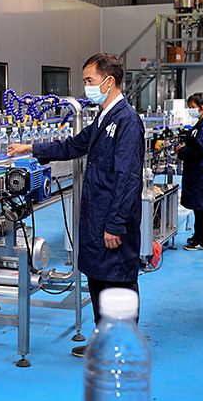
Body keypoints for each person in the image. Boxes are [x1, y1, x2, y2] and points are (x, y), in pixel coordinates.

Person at [8, 53, 145, 357]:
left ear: (109, 81)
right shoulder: (104, 117)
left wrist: (115, 224)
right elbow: (74, 144)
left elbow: (128, 178)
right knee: (98, 277)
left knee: (118, 281)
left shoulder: (127, 121)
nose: (86, 88)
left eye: (89, 81)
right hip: (96, 214)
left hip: (112, 218)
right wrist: (31, 147)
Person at [176, 92, 203, 251]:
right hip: (197, 171)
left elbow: (199, 149)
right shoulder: (201, 123)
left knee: (201, 208)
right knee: (198, 208)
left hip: (202, 173)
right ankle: (198, 235)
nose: (191, 110)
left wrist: (182, 151)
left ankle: (202, 241)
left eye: (192, 107)